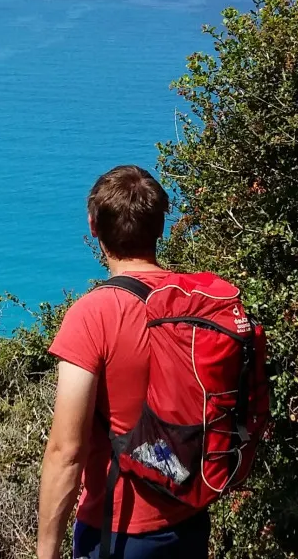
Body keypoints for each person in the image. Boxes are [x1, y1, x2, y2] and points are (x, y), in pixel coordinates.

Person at [37, 165, 208, 559]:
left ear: (94, 229)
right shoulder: (196, 302)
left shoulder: (93, 315)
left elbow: (66, 451)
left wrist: (46, 551)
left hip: (117, 532)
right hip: (191, 520)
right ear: (161, 228)